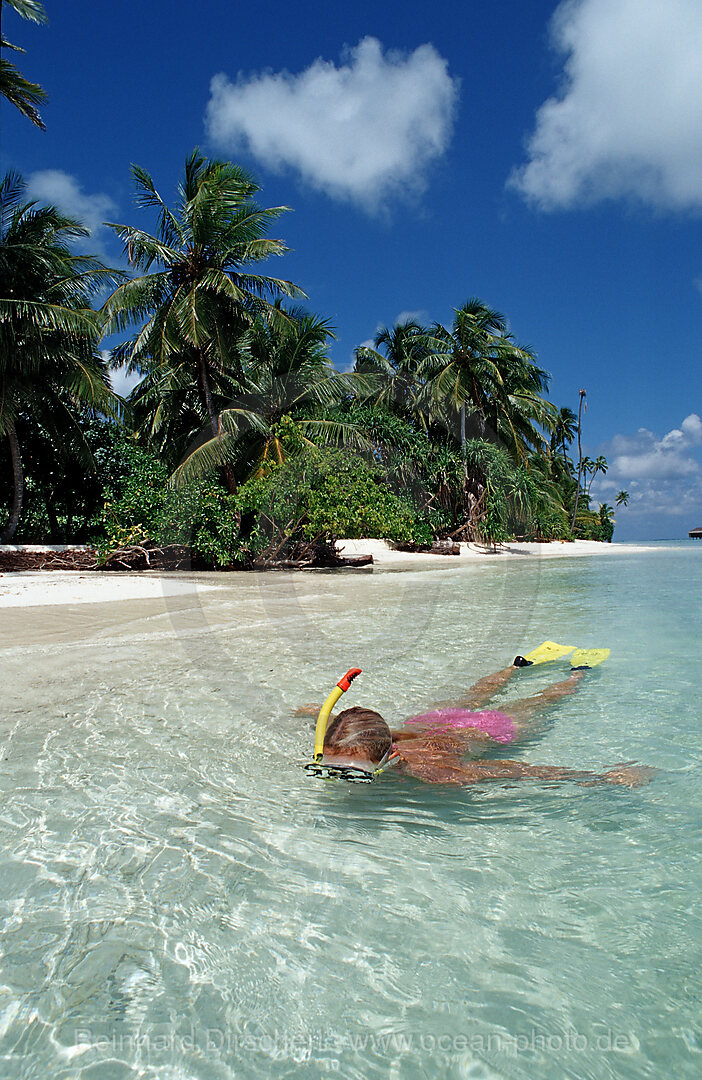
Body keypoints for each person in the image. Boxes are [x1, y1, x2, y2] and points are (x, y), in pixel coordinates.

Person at [298, 659, 653, 788]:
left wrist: (599, 779)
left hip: (488, 728)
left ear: (389, 757)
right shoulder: (363, 736)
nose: (339, 777)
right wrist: (318, 714)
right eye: (331, 768)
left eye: (353, 773)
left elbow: (509, 770)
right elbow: (346, 725)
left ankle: (576, 676)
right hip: (429, 723)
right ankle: (515, 668)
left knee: (542, 702)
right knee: (472, 695)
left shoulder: (431, 770)